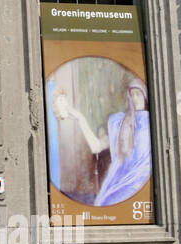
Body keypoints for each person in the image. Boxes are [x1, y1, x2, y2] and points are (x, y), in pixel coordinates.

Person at [54, 76, 152, 208]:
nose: (135, 98)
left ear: (145, 96)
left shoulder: (154, 122)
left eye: (138, 94)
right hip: (120, 183)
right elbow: (96, 146)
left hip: (142, 183)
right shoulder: (120, 123)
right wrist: (79, 117)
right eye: (132, 95)